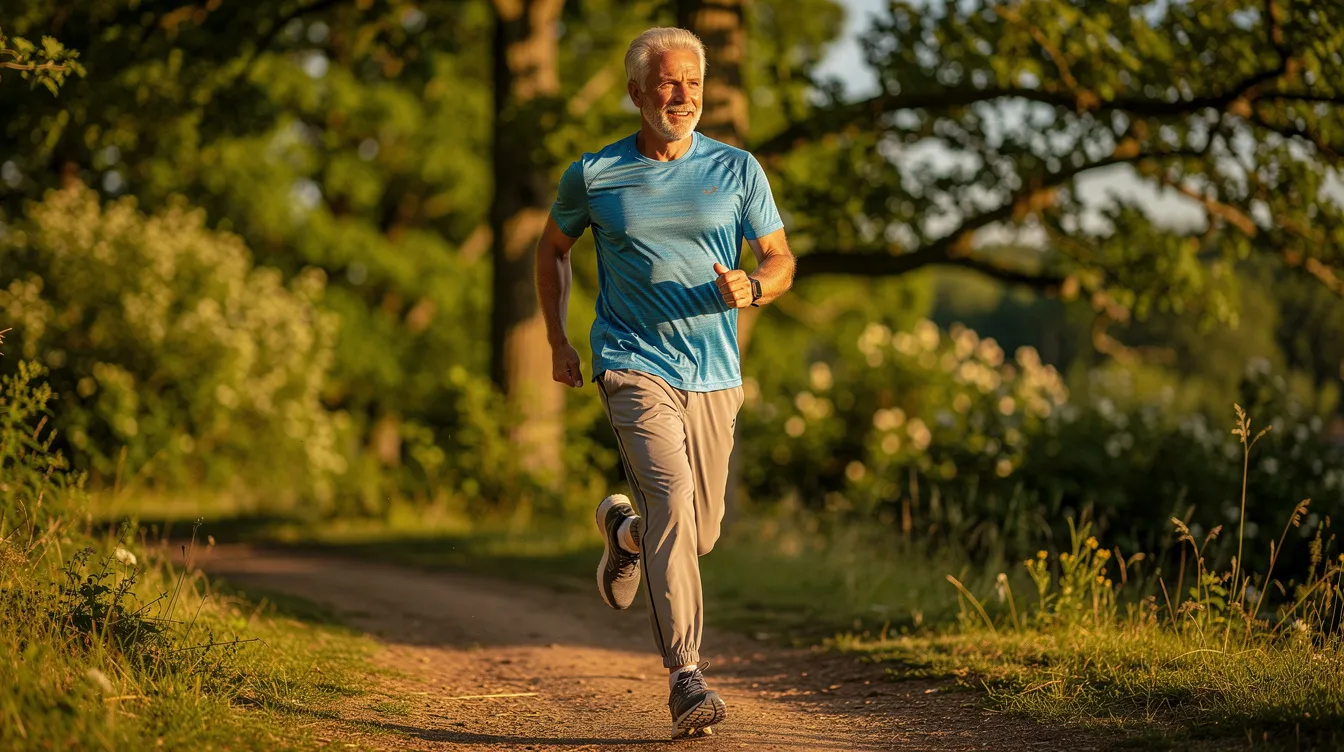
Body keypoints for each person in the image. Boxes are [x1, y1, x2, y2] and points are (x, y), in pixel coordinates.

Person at [533, 26, 796, 738]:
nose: (683, 96)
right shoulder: (594, 174)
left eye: (694, 84)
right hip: (630, 362)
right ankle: (686, 677)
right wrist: (559, 338)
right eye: (669, 83)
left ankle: (623, 531)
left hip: (715, 372)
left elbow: (780, 258)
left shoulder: (738, 171)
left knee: (697, 532)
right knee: (675, 500)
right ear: (637, 92)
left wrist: (755, 286)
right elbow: (552, 249)